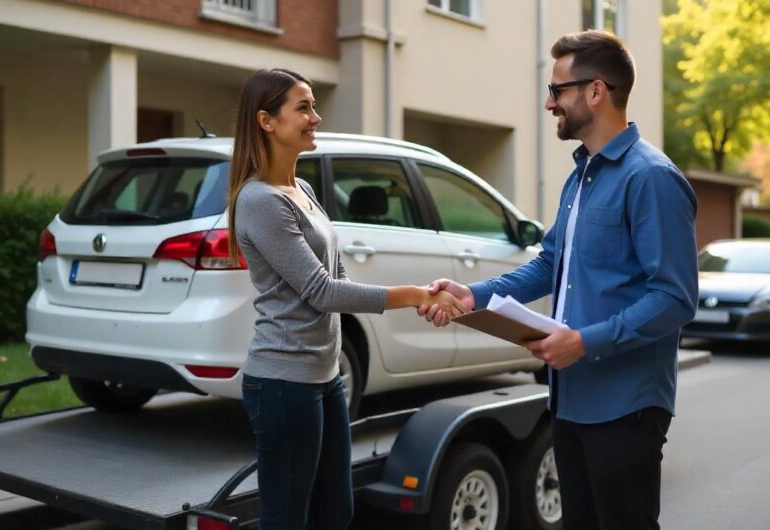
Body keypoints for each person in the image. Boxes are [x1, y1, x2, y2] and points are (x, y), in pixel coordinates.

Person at [419, 31, 698, 530]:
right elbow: (550, 264)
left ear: (596, 91)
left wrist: (584, 342)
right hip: (568, 400)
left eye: (557, 90)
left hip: (626, 407)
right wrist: (473, 295)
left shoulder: (651, 177)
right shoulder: (580, 175)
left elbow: (675, 298)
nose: (549, 103)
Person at [227, 68, 467, 530]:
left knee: (337, 511)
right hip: (283, 382)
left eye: (314, 106)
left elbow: (338, 277)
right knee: (286, 519)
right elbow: (322, 291)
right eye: (303, 108)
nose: (315, 117)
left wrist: (409, 296)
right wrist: (415, 294)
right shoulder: (261, 201)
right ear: (266, 121)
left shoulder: (302, 190)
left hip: (325, 375)